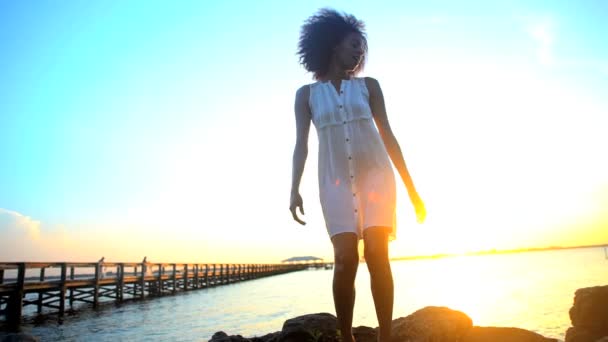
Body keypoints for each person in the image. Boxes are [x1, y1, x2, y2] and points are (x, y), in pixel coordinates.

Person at [289, 8, 426, 342]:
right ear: (334, 44)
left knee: (377, 253)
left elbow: (389, 137)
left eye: (363, 48)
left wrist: (412, 189)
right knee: (345, 258)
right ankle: (346, 336)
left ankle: (386, 336)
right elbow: (301, 146)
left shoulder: (370, 87)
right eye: (354, 44)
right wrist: (293, 190)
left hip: (377, 177)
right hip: (334, 180)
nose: (359, 52)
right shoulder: (306, 95)